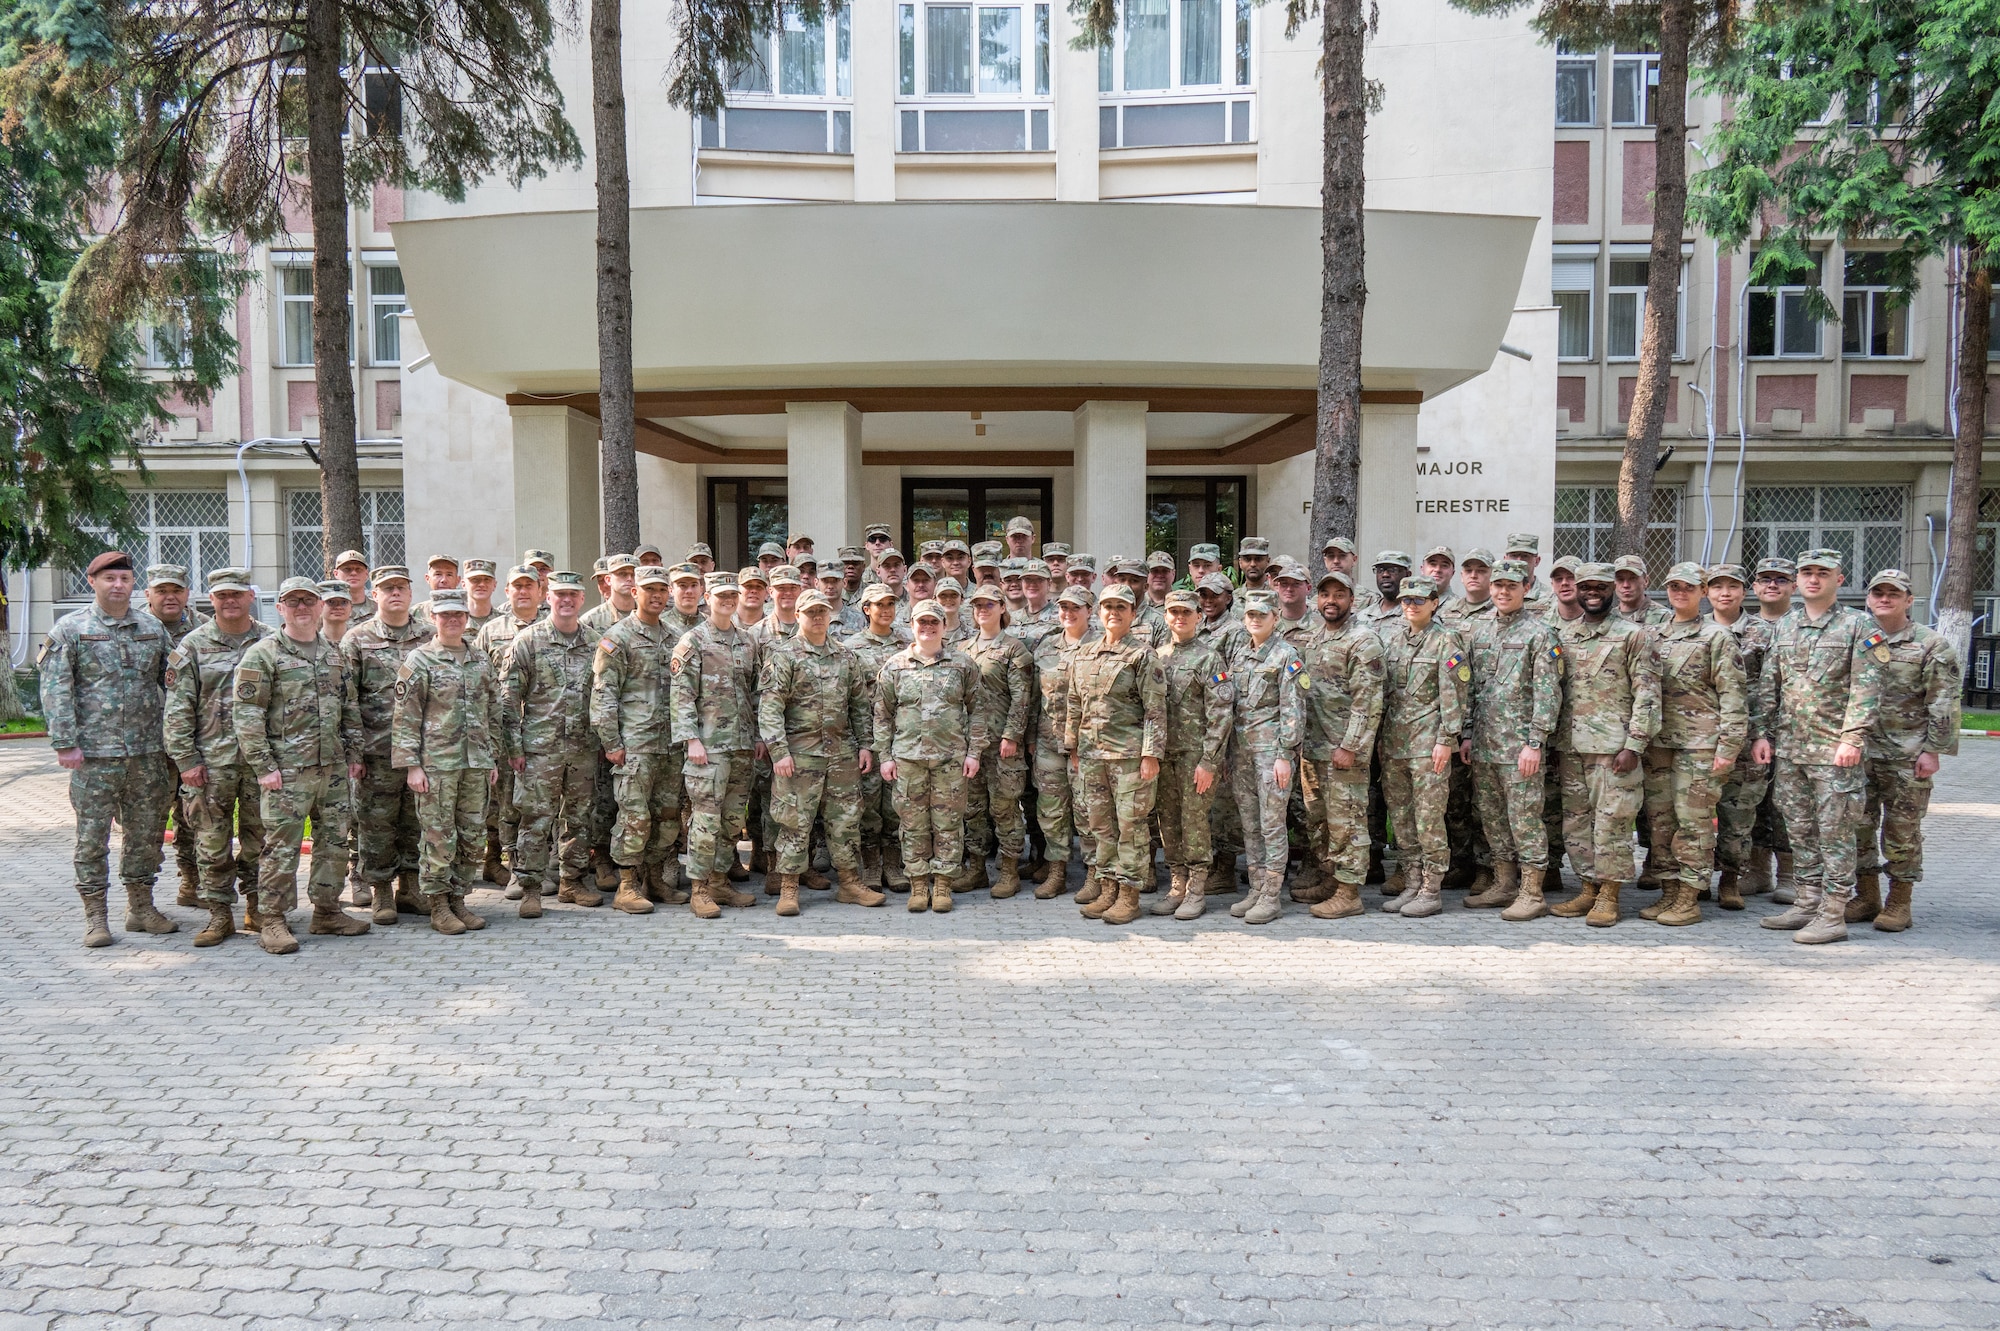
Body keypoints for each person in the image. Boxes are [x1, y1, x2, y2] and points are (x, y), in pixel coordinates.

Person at [39, 550, 177, 947]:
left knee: (146, 834)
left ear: (134, 584)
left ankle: (141, 907)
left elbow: (174, 682)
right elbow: (55, 689)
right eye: (109, 579)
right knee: (91, 837)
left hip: (147, 753)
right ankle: (96, 915)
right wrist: (65, 743)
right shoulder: (71, 629)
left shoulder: (151, 628)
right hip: (94, 756)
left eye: (124, 579)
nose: (118, 585)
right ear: (92, 582)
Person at [231, 577, 370, 953]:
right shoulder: (263, 654)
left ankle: (326, 911)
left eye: (309, 600)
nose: (302, 608)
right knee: (280, 847)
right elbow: (247, 716)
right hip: (286, 772)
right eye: (293, 602)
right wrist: (263, 766)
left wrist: (354, 754)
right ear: (280, 609)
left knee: (334, 843)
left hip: (333, 768)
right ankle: (272, 920)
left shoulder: (333, 653)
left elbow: (349, 707)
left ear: (321, 606)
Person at [1751, 549, 1881, 944]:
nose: (1813, 579)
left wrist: (1852, 738)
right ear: (1797, 579)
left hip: (1834, 753)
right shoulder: (1786, 625)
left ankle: (1833, 912)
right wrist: (1762, 734)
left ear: (1838, 580)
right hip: (1791, 750)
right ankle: (1807, 902)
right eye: (1806, 572)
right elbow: (1770, 684)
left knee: (1836, 832)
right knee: (1800, 830)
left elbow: (1868, 685)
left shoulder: (1858, 625)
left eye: (1822, 573)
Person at [1548, 564, 1661, 927]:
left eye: (1599, 586)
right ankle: (1587, 887)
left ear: (1612, 589)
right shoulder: (1564, 636)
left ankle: (1610, 895)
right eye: (1586, 586)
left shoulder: (1634, 636)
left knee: (1612, 822)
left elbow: (1647, 693)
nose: (1592, 592)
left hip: (1614, 748)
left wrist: (1636, 744)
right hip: (1571, 746)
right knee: (1577, 824)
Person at [759, 589, 885, 914]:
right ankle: (789, 887)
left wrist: (866, 745)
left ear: (830, 615)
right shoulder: (784, 655)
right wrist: (778, 751)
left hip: (841, 754)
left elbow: (859, 705)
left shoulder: (846, 657)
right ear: (798, 615)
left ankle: (849, 883)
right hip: (799, 756)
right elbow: (770, 708)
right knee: (794, 822)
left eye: (822, 612)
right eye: (810, 612)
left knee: (845, 821)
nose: (817, 617)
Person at [164, 567, 272, 944]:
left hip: (260, 763)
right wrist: (186, 760)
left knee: (262, 840)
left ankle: (258, 908)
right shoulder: (192, 646)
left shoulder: (271, 642)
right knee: (211, 842)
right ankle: (218, 914)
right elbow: (178, 709)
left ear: (250, 597)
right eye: (222, 595)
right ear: (211, 600)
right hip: (211, 764)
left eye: (237, 594)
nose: (230, 601)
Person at [1637, 562, 1745, 927]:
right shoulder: (1653, 634)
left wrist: (1728, 748)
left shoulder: (1717, 637)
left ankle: (1690, 896)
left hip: (1699, 745)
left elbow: (1733, 696)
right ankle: (1668, 891)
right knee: (1660, 821)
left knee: (1694, 822)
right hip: (1658, 745)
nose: (1679, 593)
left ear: (1703, 591)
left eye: (1688, 587)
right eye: (1673, 587)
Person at [1854, 568, 1960, 932]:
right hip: (1861, 752)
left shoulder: (1930, 644)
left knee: (1902, 831)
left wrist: (1933, 751)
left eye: (1893, 594)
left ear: (1908, 601)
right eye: (1878, 593)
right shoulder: (1863, 638)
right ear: (1868, 598)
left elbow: (1944, 702)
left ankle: (1899, 902)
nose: (1884, 599)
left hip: (1907, 755)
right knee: (1857, 826)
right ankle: (1865, 895)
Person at [391, 588, 501, 936]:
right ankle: (438, 904)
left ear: (467, 618)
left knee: (471, 834)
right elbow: (405, 716)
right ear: (433, 618)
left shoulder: (480, 660)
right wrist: (412, 765)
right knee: (439, 836)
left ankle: (459, 900)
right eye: (445, 615)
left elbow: (493, 711)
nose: (452, 620)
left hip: (475, 763)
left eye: (458, 614)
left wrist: (491, 756)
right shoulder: (419, 661)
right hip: (436, 764)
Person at [1459, 558, 1560, 919]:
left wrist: (1535, 742)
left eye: (1511, 586)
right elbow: (1470, 688)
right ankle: (1504, 884)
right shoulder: (1479, 631)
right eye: (1498, 585)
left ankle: (1532, 892)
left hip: (1520, 748)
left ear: (1526, 588)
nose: (1503, 592)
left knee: (1526, 820)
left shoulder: (1540, 633)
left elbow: (1549, 694)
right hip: (1486, 746)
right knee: (1493, 819)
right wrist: (1468, 735)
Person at [1063, 584, 1167, 926]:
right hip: (1092, 756)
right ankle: (1107, 887)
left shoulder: (1142, 655)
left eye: (1121, 607)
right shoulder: (1085, 653)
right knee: (1100, 826)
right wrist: (1073, 746)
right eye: (1108, 606)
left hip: (1129, 758)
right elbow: (1074, 703)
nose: (1114, 612)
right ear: (1098, 612)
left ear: (1132, 613)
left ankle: (1129, 894)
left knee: (1131, 827)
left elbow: (1155, 710)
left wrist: (1151, 754)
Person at [876, 600, 986, 913]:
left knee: (948, 824)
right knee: (912, 825)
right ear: (912, 625)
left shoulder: (962, 665)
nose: (927, 628)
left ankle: (942, 885)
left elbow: (979, 711)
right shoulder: (895, 666)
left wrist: (974, 753)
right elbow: (882, 715)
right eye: (921, 623)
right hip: (908, 760)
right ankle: (918, 884)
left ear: (942, 626)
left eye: (933, 623)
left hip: (950, 760)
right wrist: (885, 756)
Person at [590, 565, 689, 913]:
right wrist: (612, 742)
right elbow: (603, 694)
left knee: (666, 816)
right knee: (634, 816)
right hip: (635, 746)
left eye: (663, 590)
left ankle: (655, 880)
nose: (658, 596)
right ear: (635, 593)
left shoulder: (676, 637)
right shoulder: (617, 638)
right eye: (650, 590)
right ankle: (627, 885)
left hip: (670, 746)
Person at [502, 571, 599, 918]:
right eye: (560, 594)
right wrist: (513, 748)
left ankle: (571, 883)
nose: (566, 600)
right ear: (547, 596)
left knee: (578, 818)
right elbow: (509, 699)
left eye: (573, 594)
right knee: (536, 819)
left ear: (582, 599)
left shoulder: (595, 642)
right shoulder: (528, 641)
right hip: (539, 749)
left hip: (583, 747)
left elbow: (604, 696)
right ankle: (531, 888)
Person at [341, 565, 433, 917]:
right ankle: (381, 891)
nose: (395, 593)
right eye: (387, 588)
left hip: (420, 751)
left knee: (415, 821)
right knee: (375, 824)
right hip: (376, 751)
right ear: (375, 594)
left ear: (411, 594)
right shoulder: (357, 639)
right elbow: (347, 699)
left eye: (401, 587)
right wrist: (353, 751)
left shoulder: (428, 636)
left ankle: (410, 887)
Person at [1374, 575, 1468, 919]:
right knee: (1402, 820)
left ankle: (1431, 889)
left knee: (1429, 820)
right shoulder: (1394, 641)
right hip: (1396, 745)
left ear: (1434, 603)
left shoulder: (1446, 641)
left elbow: (1454, 697)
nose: (1411, 606)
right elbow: (1385, 696)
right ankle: (1412, 883)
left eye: (1418, 600)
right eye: (1406, 600)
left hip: (1429, 746)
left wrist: (1447, 740)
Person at [671, 573, 764, 918]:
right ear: (707, 597)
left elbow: (754, 694)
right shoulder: (692, 641)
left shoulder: (747, 641)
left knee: (730, 821)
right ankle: (699, 888)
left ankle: (721, 881)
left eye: (732, 595)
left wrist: (757, 737)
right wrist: (691, 739)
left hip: (740, 746)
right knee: (706, 820)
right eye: (720, 595)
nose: (727, 600)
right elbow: (681, 696)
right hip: (707, 748)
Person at [1295, 571, 1385, 921]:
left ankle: (1349, 893)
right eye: (1324, 594)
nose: (1330, 600)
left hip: (1343, 752)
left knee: (1347, 821)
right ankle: (1331, 880)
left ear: (1352, 599)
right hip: (1313, 749)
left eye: (1339, 594)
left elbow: (1368, 701)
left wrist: (1350, 746)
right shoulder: (1314, 639)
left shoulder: (1363, 642)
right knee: (1320, 822)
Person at [1218, 589, 1303, 923]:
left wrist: (1285, 754)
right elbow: (1230, 705)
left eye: (1261, 614)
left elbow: (1293, 708)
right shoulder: (1239, 655)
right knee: (1250, 825)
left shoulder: (1286, 656)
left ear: (1275, 617)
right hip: (1241, 754)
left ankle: (1271, 894)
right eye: (1250, 615)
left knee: (1271, 825)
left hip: (1271, 754)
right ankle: (1255, 888)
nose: (1255, 619)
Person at [1150, 588, 1234, 919]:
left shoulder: (1209, 658)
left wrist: (1209, 761)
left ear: (1199, 617)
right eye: (1174, 612)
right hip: (1164, 755)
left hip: (1195, 758)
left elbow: (1221, 713)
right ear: (1166, 616)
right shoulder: (1157, 655)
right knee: (1167, 821)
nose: (1180, 618)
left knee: (1194, 821)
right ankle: (1177, 884)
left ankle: (1197, 889)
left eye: (1187, 612)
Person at [474, 566, 548, 895]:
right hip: (505, 732)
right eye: (517, 586)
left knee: (541, 805)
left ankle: (541, 867)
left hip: (544, 733)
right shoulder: (490, 632)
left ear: (541, 591)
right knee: (508, 804)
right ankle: (515, 867)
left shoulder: (550, 630)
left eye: (529, 586)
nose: (523, 592)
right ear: (506, 591)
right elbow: (477, 683)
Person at [959, 584, 1034, 896]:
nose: (982, 610)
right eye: (977, 605)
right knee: (973, 808)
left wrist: (1012, 735)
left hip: (1003, 744)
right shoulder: (962, 649)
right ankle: (976, 869)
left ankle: (1009, 870)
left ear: (1003, 608)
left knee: (1004, 808)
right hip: (971, 746)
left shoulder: (1015, 649)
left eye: (989, 604)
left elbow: (1022, 698)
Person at [1705, 564, 1772, 910]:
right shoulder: (1695, 631)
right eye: (1717, 587)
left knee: (1738, 814)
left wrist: (1763, 735)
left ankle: (1730, 879)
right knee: (1696, 813)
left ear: (1744, 592)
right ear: (1707, 592)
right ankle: (1697, 877)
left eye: (1733, 586)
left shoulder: (1763, 633)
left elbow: (1769, 689)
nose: (1725, 593)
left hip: (1747, 736)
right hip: (1700, 736)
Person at [843, 584, 912, 891]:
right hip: (868, 736)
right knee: (869, 804)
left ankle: (894, 863)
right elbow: (850, 698)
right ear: (866, 609)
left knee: (897, 803)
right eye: (878, 604)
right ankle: (871, 864)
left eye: (890, 603)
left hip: (902, 736)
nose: (885, 609)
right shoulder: (852, 647)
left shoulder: (908, 643)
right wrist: (860, 742)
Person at [146, 563, 206, 903]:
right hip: (149, 745)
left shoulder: (203, 629)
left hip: (193, 744)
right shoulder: (135, 626)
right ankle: (143, 899)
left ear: (187, 593)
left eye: (177, 590)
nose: (170, 597)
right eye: (162, 591)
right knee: (149, 824)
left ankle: (191, 884)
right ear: (148, 594)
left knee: (193, 819)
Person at [1031, 586, 1097, 899]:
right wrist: (1030, 736)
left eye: (1076, 608)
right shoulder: (1046, 646)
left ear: (1090, 610)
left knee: (1087, 809)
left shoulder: (1100, 646)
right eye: (1064, 607)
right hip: (1048, 740)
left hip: (1087, 744)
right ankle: (1056, 870)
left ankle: (1095, 873)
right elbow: (1033, 696)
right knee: (1051, 809)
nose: (1068, 613)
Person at [1752, 557, 1800, 902]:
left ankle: (1789, 874)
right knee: (1752, 801)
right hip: (1752, 728)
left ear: (1792, 587)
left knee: (1787, 804)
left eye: (1780, 580)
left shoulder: (1801, 626)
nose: (1772, 585)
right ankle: (1757, 870)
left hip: (1796, 729)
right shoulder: (1745, 627)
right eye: (1765, 579)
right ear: (1754, 587)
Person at [409, 553, 462, 629]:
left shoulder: (466, 611)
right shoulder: (415, 612)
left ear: (458, 580)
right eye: (438, 574)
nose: (444, 580)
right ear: (427, 578)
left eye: (449, 575)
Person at [1612, 554, 1669, 626]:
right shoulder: (1608, 617)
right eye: (1620, 579)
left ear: (1646, 581)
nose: (1626, 585)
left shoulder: (1664, 617)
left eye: (1633, 579)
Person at [463, 559, 501, 631]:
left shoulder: (507, 622)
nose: (482, 584)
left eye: (487, 580)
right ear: (463, 584)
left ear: (494, 585)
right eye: (475, 579)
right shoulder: (455, 622)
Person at [319, 580, 356, 645]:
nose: (338, 607)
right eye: (331, 602)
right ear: (320, 606)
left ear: (351, 607)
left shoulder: (362, 640)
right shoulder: (311, 643)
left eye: (344, 602)